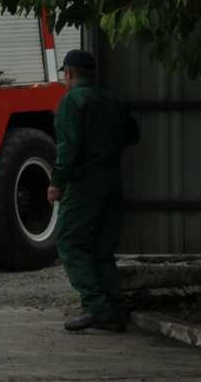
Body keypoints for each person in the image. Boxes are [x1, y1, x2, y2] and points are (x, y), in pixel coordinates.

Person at [47, 49, 139, 333]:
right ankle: (115, 309)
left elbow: (68, 148)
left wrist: (57, 182)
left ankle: (96, 307)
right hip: (112, 180)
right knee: (102, 248)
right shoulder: (113, 98)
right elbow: (132, 135)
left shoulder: (72, 101)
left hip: (85, 182)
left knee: (70, 242)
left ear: (70, 74)